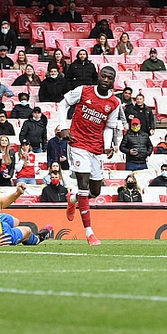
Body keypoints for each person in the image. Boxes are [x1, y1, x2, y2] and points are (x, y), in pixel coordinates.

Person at [57, 66, 124, 246]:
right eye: (103, 76)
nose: (105, 79)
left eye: (110, 78)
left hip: (96, 148)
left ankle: (72, 199)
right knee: (84, 184)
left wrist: (108, 145)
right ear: (98, 76)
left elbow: (109, 127)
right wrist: (64, 127)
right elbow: (63, 104)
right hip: (77, 143)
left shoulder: (114, 103)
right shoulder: (83, 91)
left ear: (113, 81)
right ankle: (90, 233)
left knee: (95, 191)